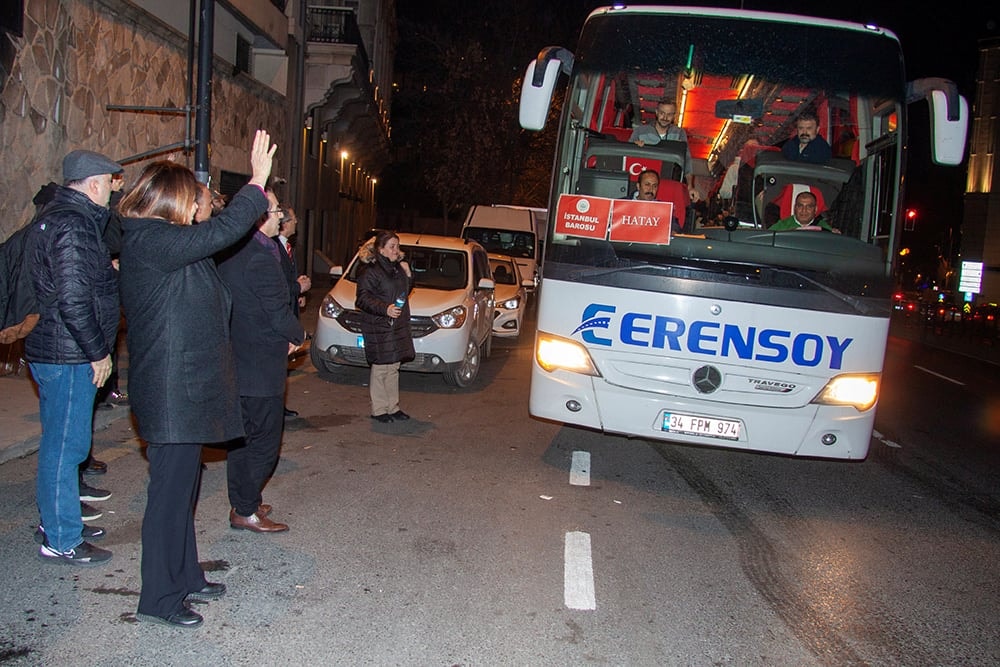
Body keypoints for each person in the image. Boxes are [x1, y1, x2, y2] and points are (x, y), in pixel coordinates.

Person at [118, 129, 277, 628]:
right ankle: (159, 599)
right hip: (171, 394)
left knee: (184, 490)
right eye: (196, 199)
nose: (202, 207)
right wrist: (256, 184)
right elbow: (220, 232)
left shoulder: (168, 244)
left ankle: (186, 577)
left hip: (184, 392)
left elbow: (212, 247)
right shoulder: (151, 240)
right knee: (168, 499)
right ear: (175, 204)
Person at [23, 149, 122, 566]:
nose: (113, 192)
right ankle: (62, 538)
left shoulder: (60, 217)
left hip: (56, 350)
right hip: (67, 354)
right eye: (110, 183)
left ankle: (59, 521)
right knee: (66, 448)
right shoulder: (74, 226)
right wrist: (98, 351)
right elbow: (73, 300)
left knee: (61, 445)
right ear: (95, 183)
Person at [217, 190, 305, 534]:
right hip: (259, 363)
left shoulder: (238, 249)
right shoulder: (260, 257)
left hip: (240, 358)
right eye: (275, 210)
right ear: (261, 217)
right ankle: (245, 509)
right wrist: (299, 336)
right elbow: (277, 312)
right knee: (265, 442)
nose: (281, 215)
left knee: (242, 440)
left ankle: (245, 499)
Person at [355, 230, 414, 423]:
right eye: (392, 247)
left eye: (397, 246)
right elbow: (362, 299)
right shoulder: (370, 271)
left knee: (393, 366)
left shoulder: (397, 269)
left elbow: (404, 293)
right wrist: (384, 309)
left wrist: (408, 275)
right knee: (381, 367)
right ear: (381, 250)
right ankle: (379, 409)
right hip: (379, 325)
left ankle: (393, 407)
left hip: (396, 324)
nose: (396, 250)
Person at [272, 205, 311, 418]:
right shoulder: (272, 249)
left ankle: (279, 405)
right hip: (278, 317)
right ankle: (275, 406)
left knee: (283, 365)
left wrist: (298, 294)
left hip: (289, 310)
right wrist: (298, 288)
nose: (297, 222)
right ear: (285, 223)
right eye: (294, 219)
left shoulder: (288, 247)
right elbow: (276, 286)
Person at [628, 98, 695, 190]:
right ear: (656, 112)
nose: (665, 117)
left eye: (669, 114)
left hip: (668, 182)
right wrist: (635, 146)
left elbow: (686, 160)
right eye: (662, 113)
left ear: (674, 116)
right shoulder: (640, 131)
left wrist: (690, 186)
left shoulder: (679, 133)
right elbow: (627, 155)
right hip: (644, 183)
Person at [628, 169, 684, 235]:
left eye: (654, 186)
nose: (651, 189)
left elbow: (675, 226)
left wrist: (673, 231)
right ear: (638, 186)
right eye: (647, 185)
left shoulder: (663, 209)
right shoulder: (621, 204)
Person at [769, 191, 840, 233]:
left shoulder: (823, 228)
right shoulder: (781, 226)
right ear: (795, 208)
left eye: (809, 207)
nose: (804, 210)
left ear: (815, 209)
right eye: (800, 206)